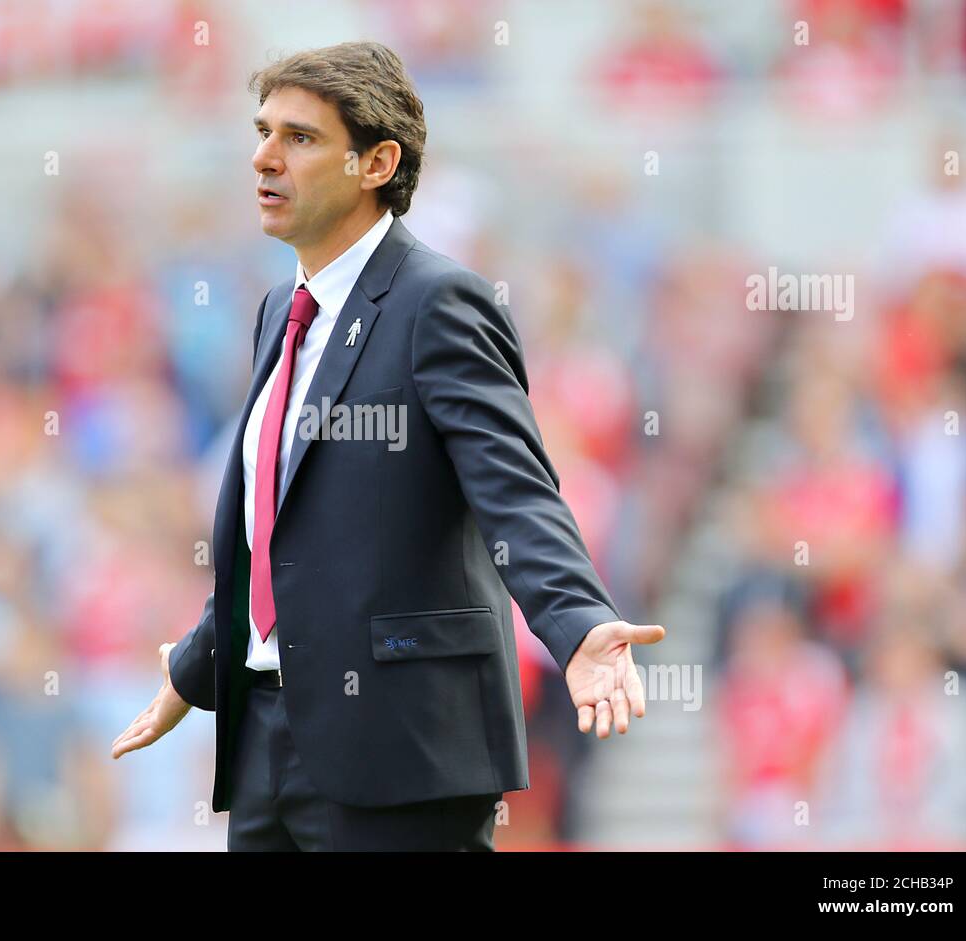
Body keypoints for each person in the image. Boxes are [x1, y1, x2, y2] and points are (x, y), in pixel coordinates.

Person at [112, 41, 664, 851]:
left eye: (299, 138)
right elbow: (283, 532)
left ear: (378, 162)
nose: (264, 157)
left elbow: (515, 491)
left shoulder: (438, 303)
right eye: (262, 131)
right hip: (269, 742)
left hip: (401, 748)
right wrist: (196, 668)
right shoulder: (276, 310)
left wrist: (578, 621)